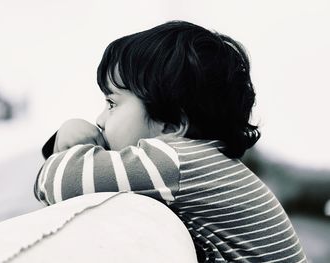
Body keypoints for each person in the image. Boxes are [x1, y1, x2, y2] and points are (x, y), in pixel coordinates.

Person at [34, 21, 307, 262]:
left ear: (172, 124)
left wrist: (72, 135)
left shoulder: (173, 161)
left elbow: (55, 183)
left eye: (111, 103)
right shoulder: (202, 160)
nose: (100, 119)